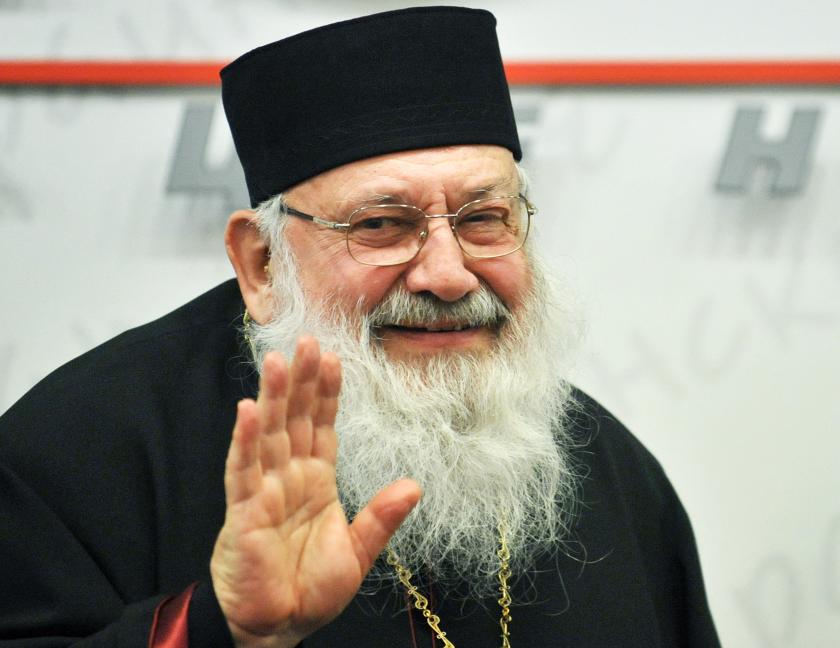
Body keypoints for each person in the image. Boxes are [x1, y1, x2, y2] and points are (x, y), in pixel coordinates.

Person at [0, 7, 720, 648]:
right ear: (261, 265)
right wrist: (222, 632)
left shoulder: (612, 472)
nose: (449, 274)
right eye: (382, 225)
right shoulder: (77, 451)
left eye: (483, 219)